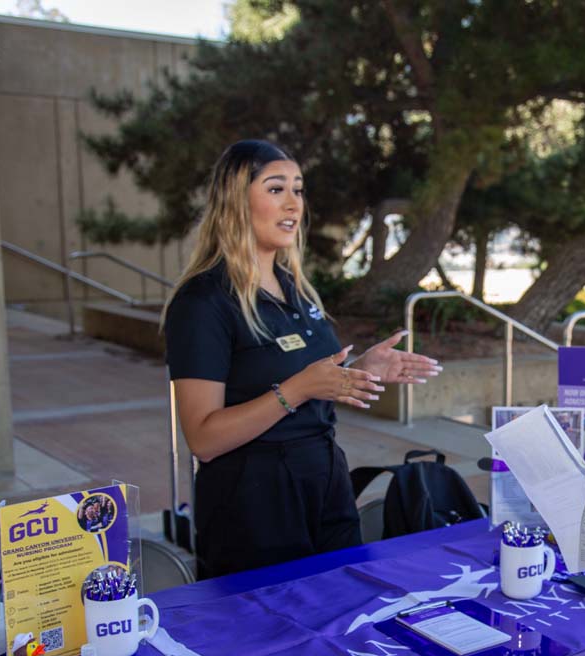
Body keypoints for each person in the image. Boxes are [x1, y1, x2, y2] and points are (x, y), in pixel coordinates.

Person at [164, 139, 442, 579]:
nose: (293, 202)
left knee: (344, 614)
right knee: (273, 638)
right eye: (276, 189)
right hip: (252, 502)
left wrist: (356, 373)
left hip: (325, 482)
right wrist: (298, 389)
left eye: (298, 188)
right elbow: (203, 438)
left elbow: (308, 377)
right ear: (236, 201)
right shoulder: (203, 301)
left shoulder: (293, 288)